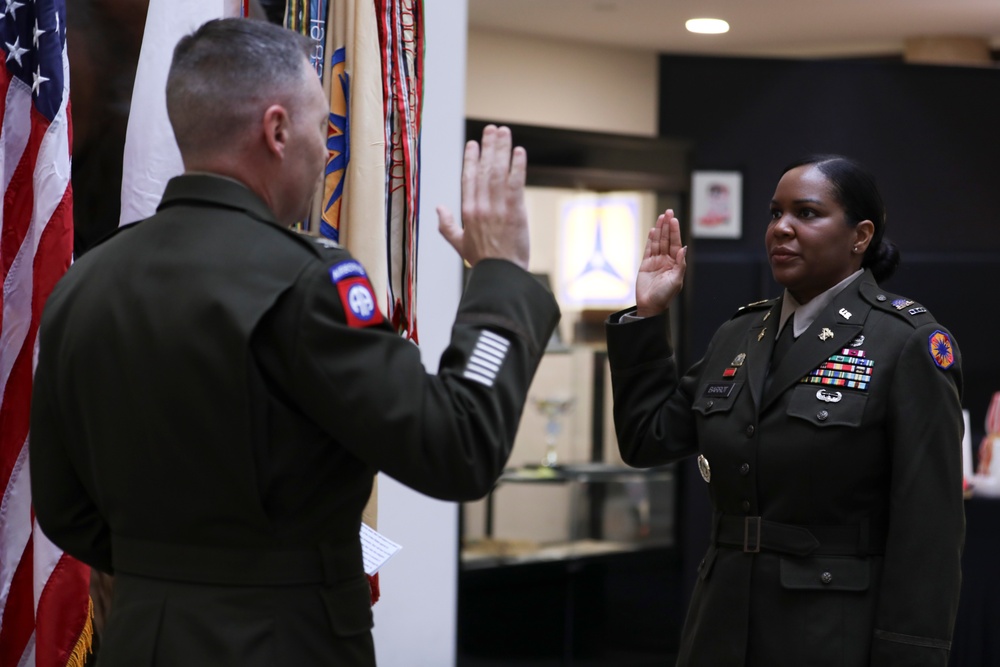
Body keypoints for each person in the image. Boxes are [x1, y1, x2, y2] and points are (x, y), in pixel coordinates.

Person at [29, 18, 559, 667]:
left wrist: (174, 570)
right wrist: (502, 279)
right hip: (284, 640)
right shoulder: (307, 286)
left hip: (142, 637)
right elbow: (458, 445)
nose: (325, 147)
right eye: (322, 128)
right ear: (278, 130)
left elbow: (61, 506)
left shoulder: (82, 286)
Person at [605, 155, 964, 666]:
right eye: (775, 214)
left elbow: (930, 530)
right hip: (721, 626)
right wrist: (648, 315)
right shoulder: (740, 334)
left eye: (807, 213)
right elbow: (647, 438)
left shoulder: (904, 342)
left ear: (860, 235)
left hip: (829, 632)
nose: (782, 229)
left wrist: (909, 656)